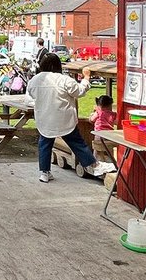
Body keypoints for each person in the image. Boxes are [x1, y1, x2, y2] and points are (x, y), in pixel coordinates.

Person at [26, 53, 114, 183]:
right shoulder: (63, 79)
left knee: (44, 144)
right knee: (77, 143)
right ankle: (94, 166)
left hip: (44, 119)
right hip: (64, 119)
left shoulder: (35, 80)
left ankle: (44, 172)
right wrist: (86, 78)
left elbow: (28, 100)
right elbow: (79, 92)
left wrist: (41, 103)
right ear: (57, 65)